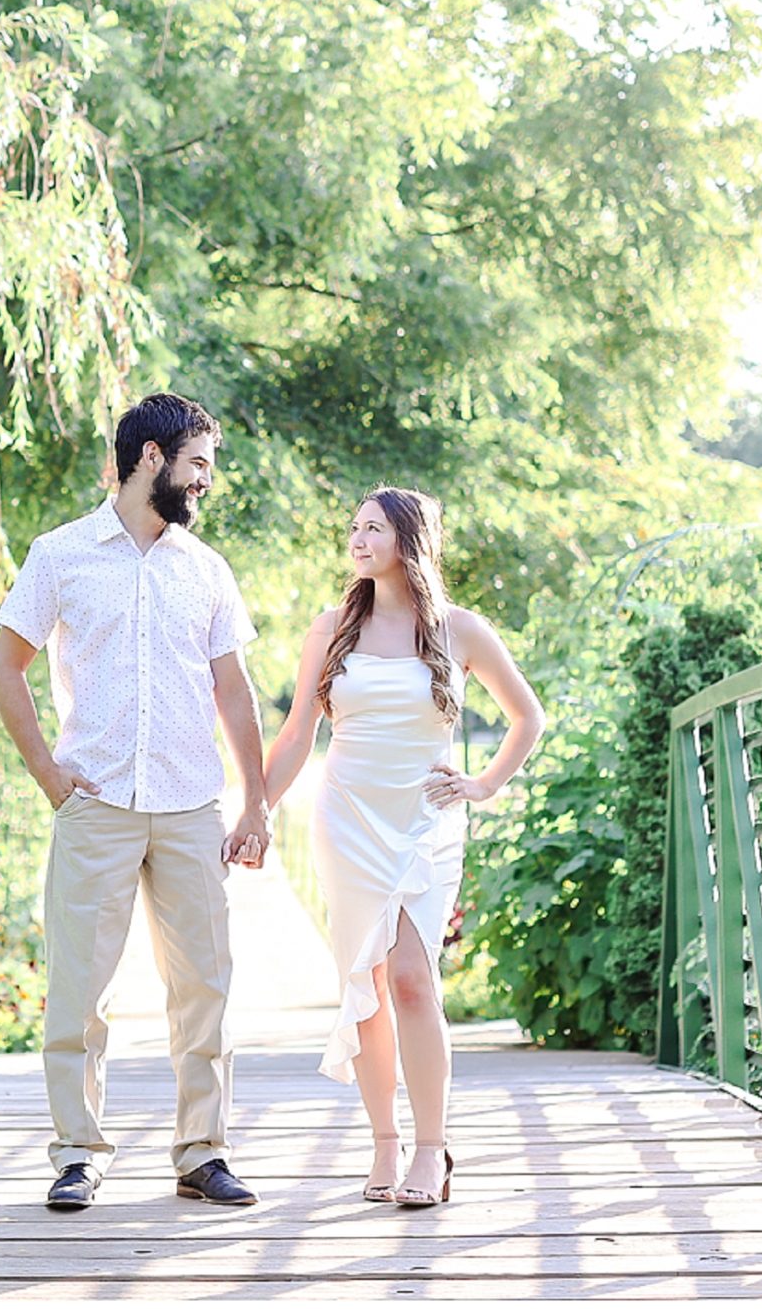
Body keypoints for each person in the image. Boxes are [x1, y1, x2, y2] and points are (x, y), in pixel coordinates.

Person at [0, 391, 274, 1213]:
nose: (206, 483)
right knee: (80, 987)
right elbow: (6, 667)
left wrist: (254, 801)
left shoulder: (205, 567)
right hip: (98, 798)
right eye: (199, 466)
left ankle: (202, 1152)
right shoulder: (61, 554)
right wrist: (48, 771)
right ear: (152, 458)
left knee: (205, 987)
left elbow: (235, 689)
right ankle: (78, 1153)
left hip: (190, 803)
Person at [261, 486, 544, 1208]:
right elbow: (298, 733)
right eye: (353, 527)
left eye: (374, 527)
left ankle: (430, 1147)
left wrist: (481, 785)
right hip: (348, 815)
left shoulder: (460, 629)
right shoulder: (331, 627)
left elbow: (527, 717)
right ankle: (384, 1141)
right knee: (366, 981)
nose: (357, 539)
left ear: (409, 539)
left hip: (425, 816)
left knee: (414, 977)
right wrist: (255, 809)